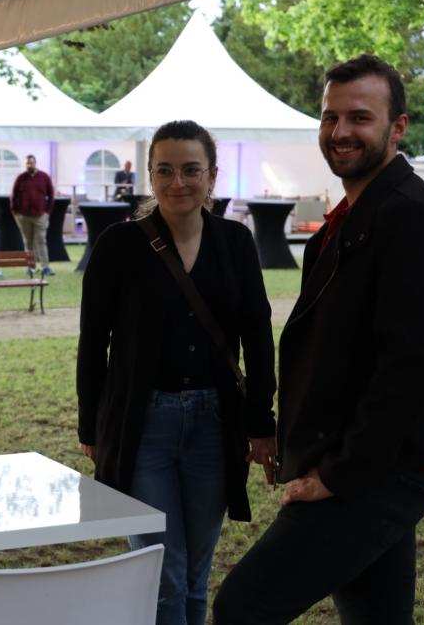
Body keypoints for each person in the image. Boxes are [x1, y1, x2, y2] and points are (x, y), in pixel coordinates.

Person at [213, 55, 424, 624]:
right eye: (330, 117)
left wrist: (338, 474)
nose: (340, 131)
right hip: (353, 457)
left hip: (380, 470)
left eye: (360, 117)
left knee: (242, 607)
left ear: (398, 127)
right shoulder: (353, 216)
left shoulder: (413, 217)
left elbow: (408, 367)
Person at [77, 120, 277, 625]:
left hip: (215, 425)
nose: (178, 182)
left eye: (191, 170)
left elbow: (258, 337)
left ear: (212, 176)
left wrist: (261, 422)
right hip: (142, 424)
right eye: (164, 170)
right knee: (164, 571)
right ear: (150, 175)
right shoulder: (118, 245)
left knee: (194, 574)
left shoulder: (235, 242)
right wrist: (91, 428)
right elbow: (93, 343)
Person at [11, 154, 55, 276]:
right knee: (28, 241)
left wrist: (47, 212)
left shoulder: (44, 177)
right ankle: (30, 266)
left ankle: (45, 267)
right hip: (24, 216)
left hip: (40, 215)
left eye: (31, 162)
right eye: (27, 163)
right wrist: (15, 212)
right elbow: (14, 195)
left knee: (41, 240)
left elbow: (51, 195)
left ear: (35, 163)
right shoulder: (21, 178)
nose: (29, 165)